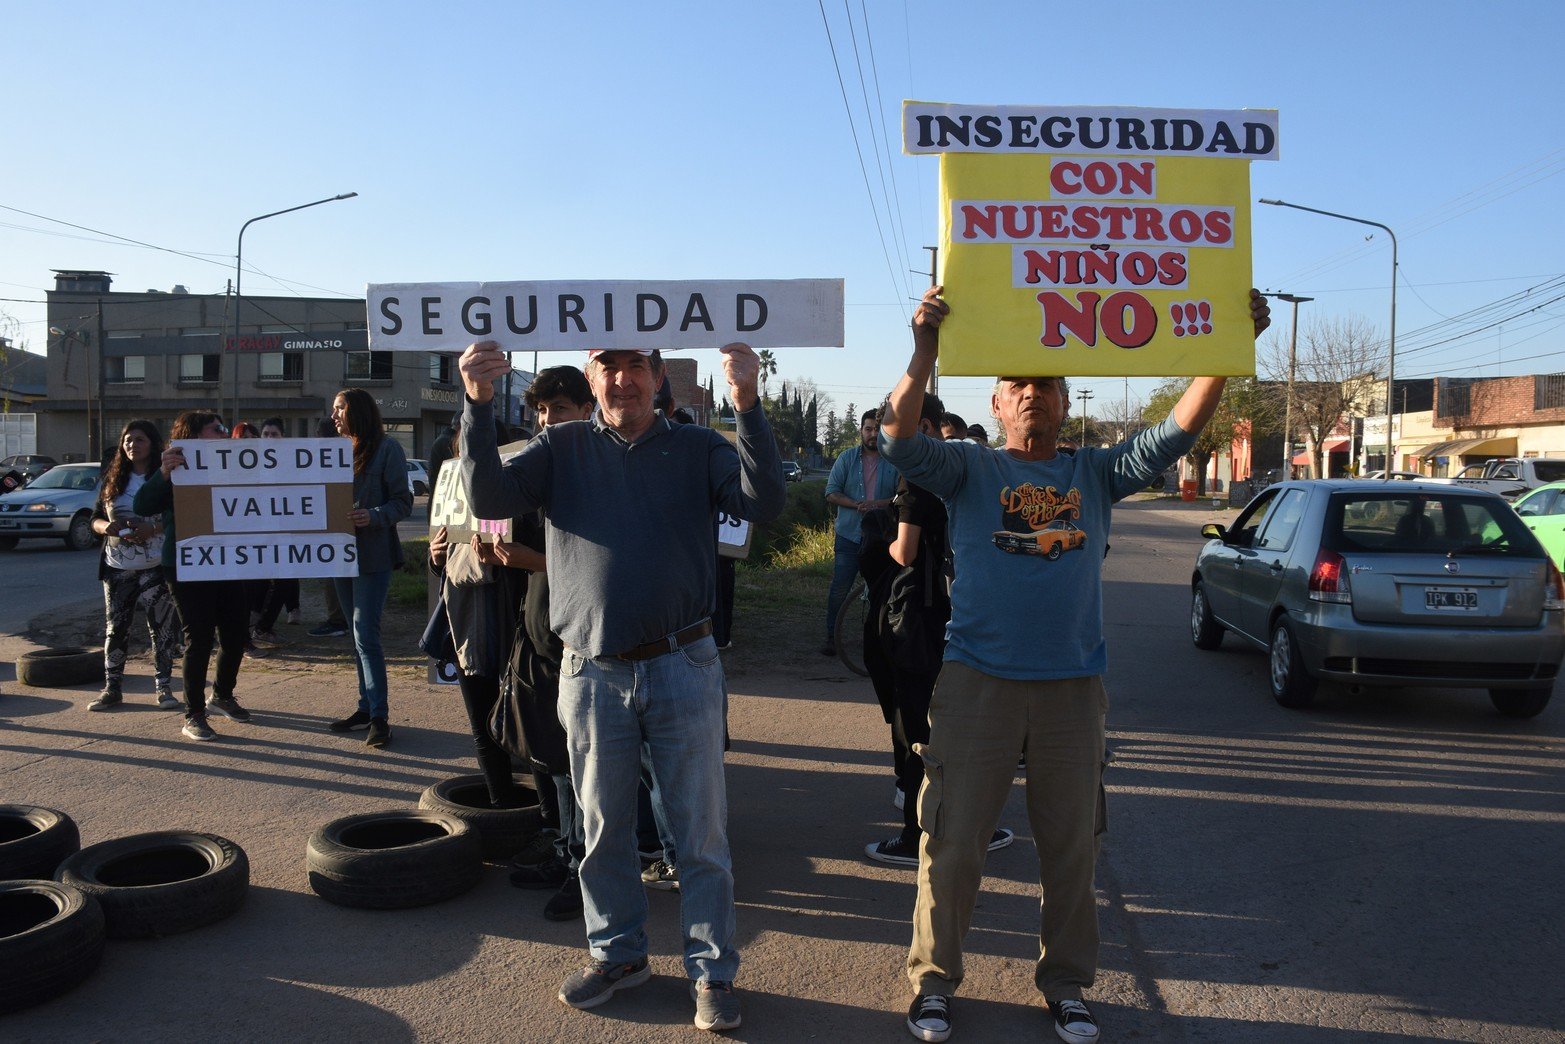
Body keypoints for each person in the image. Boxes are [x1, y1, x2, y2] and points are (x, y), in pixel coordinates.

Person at [880, 284, 1270, 1044]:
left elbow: (1175, 435)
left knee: (1070, 852)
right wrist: (924, 348)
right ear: (996, 404)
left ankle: (1065, 985)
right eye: (1017, 386)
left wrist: (1225, 350)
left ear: (1066, 401)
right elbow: (896, 439)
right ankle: (931, 982)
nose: (1032, 396)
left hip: (1069, 689)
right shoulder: (966, 472)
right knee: (951, 844)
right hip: (975, 685)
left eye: (1045, 386)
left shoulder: (1095, 474)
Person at [458, 339, 785, 1033]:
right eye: (608, 365)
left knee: (696, 837)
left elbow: (763, 500)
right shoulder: (560, 445)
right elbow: (488, 496)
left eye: (637, 365)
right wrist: (478, 405)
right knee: (601, 831)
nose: (622, 378)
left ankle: (712, 973)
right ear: (592, 377)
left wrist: (748, 402)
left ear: (658, 377)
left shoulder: (697, 447)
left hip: (682, 664)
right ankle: (617, 955)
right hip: (590, 671)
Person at [502, 364, 596, 923]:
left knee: (585, 770)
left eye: (558, 408)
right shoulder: (538, 465)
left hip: (579, 641)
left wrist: (530, 560)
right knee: (556, 765)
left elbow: (595, 562)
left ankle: (585, 873)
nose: (546, 419)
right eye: (540, 410)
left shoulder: (594, 471)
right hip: (540, 632)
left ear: (586, 410)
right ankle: (564, 852)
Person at [134, 410, 254, 741]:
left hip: (228, 560)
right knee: (199, 638)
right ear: (196, 436)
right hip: (187, 563)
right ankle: (193, 714)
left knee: (234, 634)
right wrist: (164, 473)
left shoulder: (232, 464)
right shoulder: (175, 468)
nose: (224, 433)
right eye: (217, 430)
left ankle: (222, 696)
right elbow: (143, 505)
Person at [326, 388, 413, 748]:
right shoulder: (329, 451)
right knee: (355, 633)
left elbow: (404, 502)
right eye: (332, 410)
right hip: (336, 555)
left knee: (365, 632)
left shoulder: (388, 449)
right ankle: (365, 707)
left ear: (358, 411)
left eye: (339, 409)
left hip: (373, 555)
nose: (334, 417)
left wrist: (374, 515)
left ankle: (380, 717)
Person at [88, 419, 181, 712]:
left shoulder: (165, 478)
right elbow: (94, 518)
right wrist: (106, 527)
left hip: (155, 565)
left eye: (139, 439)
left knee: (162, 630)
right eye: (127, 440)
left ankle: (164, 689)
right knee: (116, 627)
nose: (132, 445)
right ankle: (112, 688)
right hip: (117, 566)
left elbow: (178, 516)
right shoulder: (113, 479)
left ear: (152, 444)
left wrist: (152, 528)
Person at [822, 409, 900, 656]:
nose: (872, 434)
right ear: (861, 431)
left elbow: (902, 498)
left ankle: (881, 638)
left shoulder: (895, 461)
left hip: (881, 538)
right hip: (848, 535)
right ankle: (831, 637)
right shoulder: (846, 459)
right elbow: (831, 492)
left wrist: (877, 504)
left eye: (877, 430)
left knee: (882, 591)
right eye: (868, 429)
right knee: (840, 589)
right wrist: (856, 505)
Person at [250, 417, 301, 646]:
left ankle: (264, 625)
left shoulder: (293, 462)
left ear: (283, 438)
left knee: (285, 578)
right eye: (266, 434)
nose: (270, 438)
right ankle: (259, 623)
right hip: (258, 531)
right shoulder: (249, 464)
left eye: (274, 434)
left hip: (285, 529)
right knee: (259, 578)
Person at [308, 416, 351, 638]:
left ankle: (338, 619)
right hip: (340, 523)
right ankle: (343, 617)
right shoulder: (348, 452)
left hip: (333, 525)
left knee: (334, 573)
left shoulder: (328, 457)